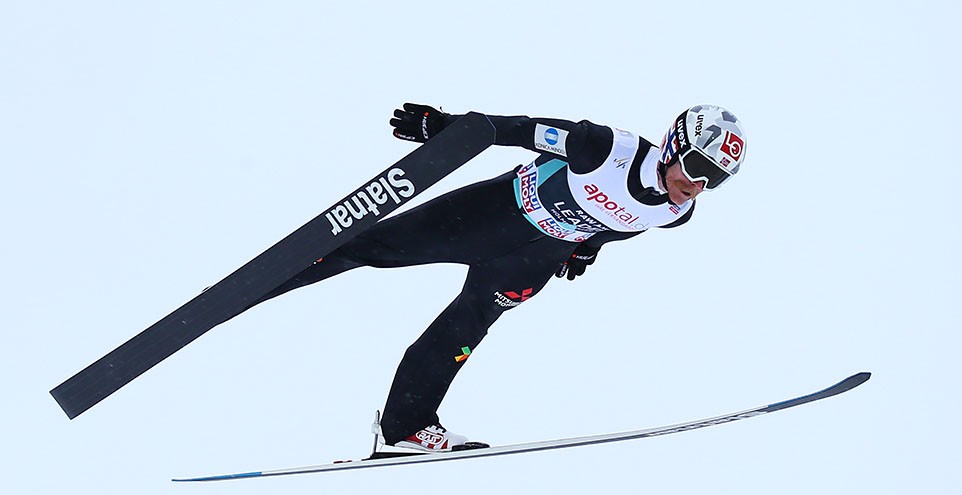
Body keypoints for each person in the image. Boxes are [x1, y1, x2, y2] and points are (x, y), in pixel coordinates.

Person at [248, 103, 747, 452]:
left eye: (716, 179)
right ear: (674, 145)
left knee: (463, 329)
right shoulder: (603, 148)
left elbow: (620, 224)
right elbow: (513, 129)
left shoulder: (675, 213)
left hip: (532, 262)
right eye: (697, 166)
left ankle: (405, 428)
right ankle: (251, 288)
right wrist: (446, 128)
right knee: (368, 248)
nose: (698, 184)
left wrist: (584, 248)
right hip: (491, 216)